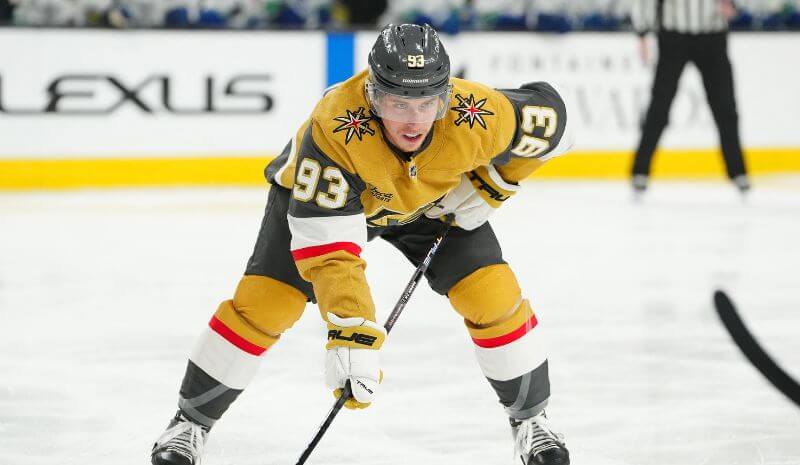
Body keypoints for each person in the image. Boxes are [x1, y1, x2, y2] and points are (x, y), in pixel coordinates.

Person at [150, 23, 574, 465]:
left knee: (491, 294)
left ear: (447, 97)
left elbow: (556, 124)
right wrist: (351, 332)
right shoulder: (334, 127)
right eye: (398, 103)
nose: (414, 119)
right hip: (325, 204)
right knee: (265, 305)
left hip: (429, 204)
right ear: (372, 96)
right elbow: (331, 253)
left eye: (428, 103)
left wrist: (496, 180)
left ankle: (532, 421)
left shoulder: (479, 113)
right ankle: (189, 423)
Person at [631, 0, 750, 195]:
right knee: (660, 105)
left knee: (725, 106)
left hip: (713, 34)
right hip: (674, 35)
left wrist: (733, 5)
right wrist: (642, 32)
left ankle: (738, 171)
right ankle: (640, 170)